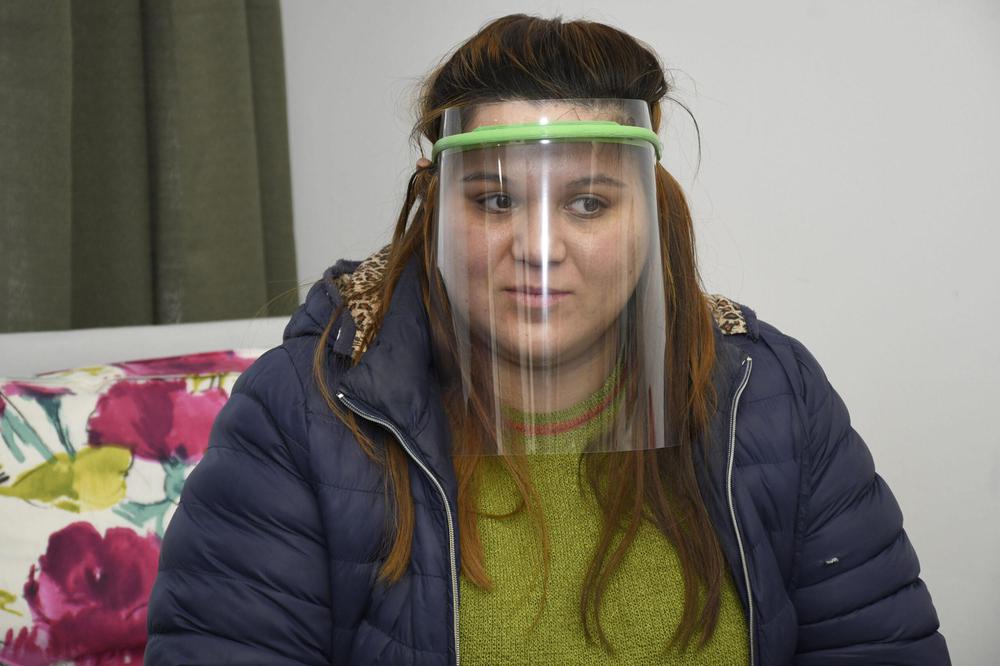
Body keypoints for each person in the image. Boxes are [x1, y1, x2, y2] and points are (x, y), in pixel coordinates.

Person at [144, 13, 950, 666]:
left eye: (589, 203)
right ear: (437, 209)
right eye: (495, 200)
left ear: (650, 214)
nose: (538, 247)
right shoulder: (305, 411)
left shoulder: (770, 396)